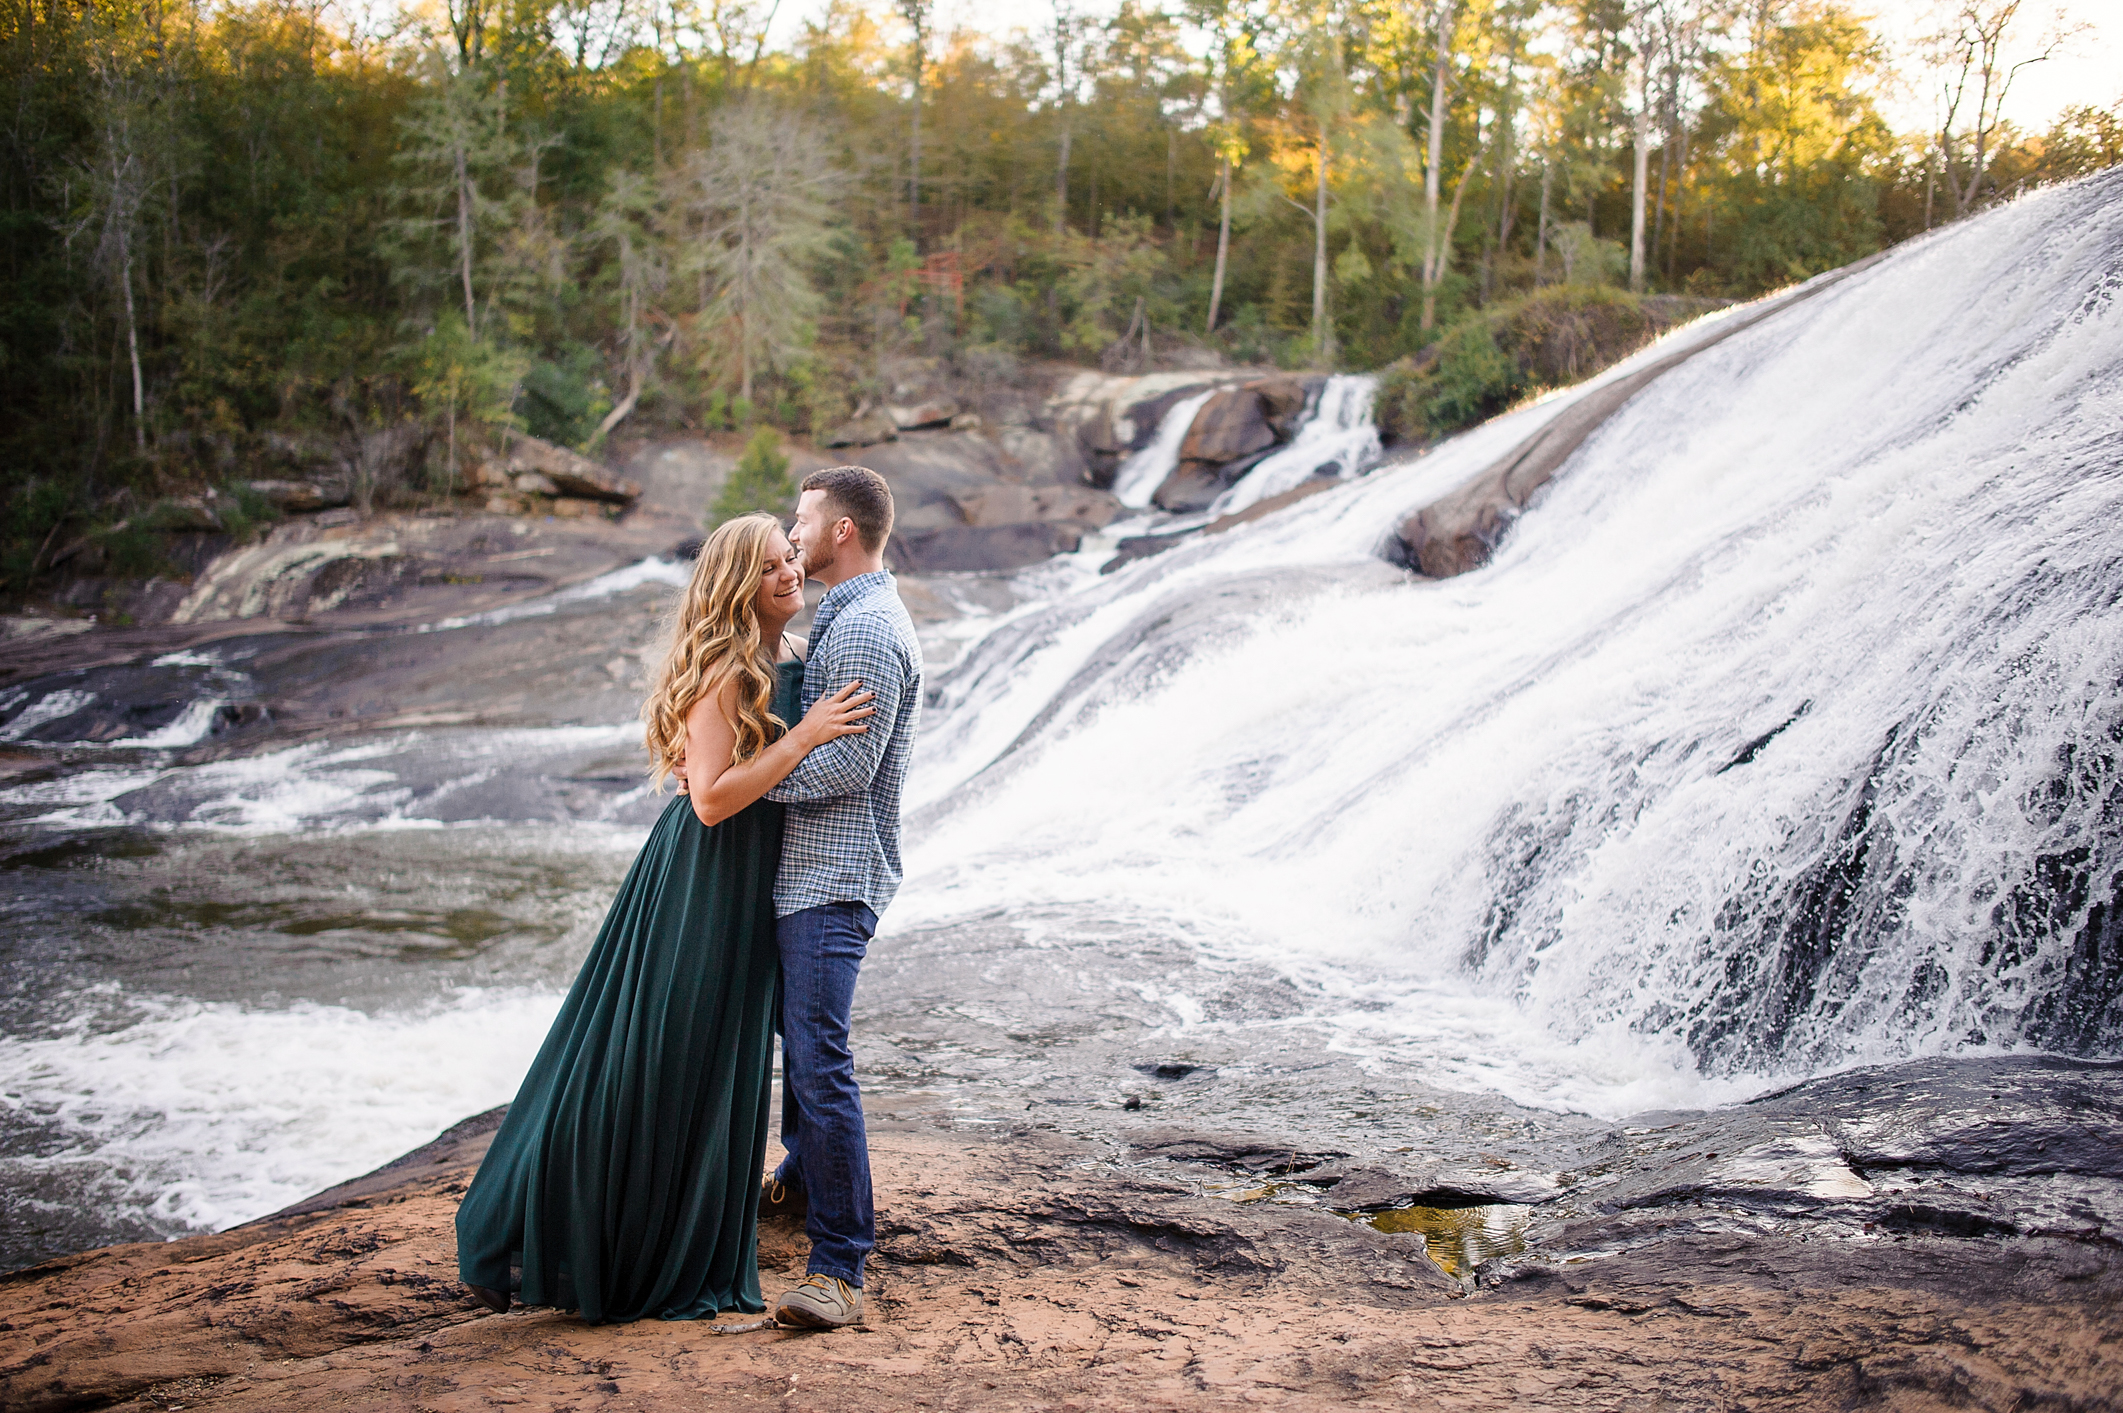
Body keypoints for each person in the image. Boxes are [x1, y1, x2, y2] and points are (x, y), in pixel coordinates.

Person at [454, 513, 874, 1324]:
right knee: (649, 1056)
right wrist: (808, 734)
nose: (787, 572)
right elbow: (712, 799)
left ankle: (658, 1229)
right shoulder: (725, 665)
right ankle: (523, 1230)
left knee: (707, 1065)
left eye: (787, 556)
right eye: (764, 569)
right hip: (702, 880)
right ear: (731, 587)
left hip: (752, 885)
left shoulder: (785, 651)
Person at [757, 466, 924, 1331]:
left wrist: (741, 781)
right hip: (818, 875)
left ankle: (840, 1269)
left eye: (803, 518)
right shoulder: (850, 616)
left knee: (820, 1062)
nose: (792, 531)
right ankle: (795, 1172)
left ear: (842, 533)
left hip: (832, 878)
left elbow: (844, 765)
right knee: (802, 1041)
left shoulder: (862, 631)